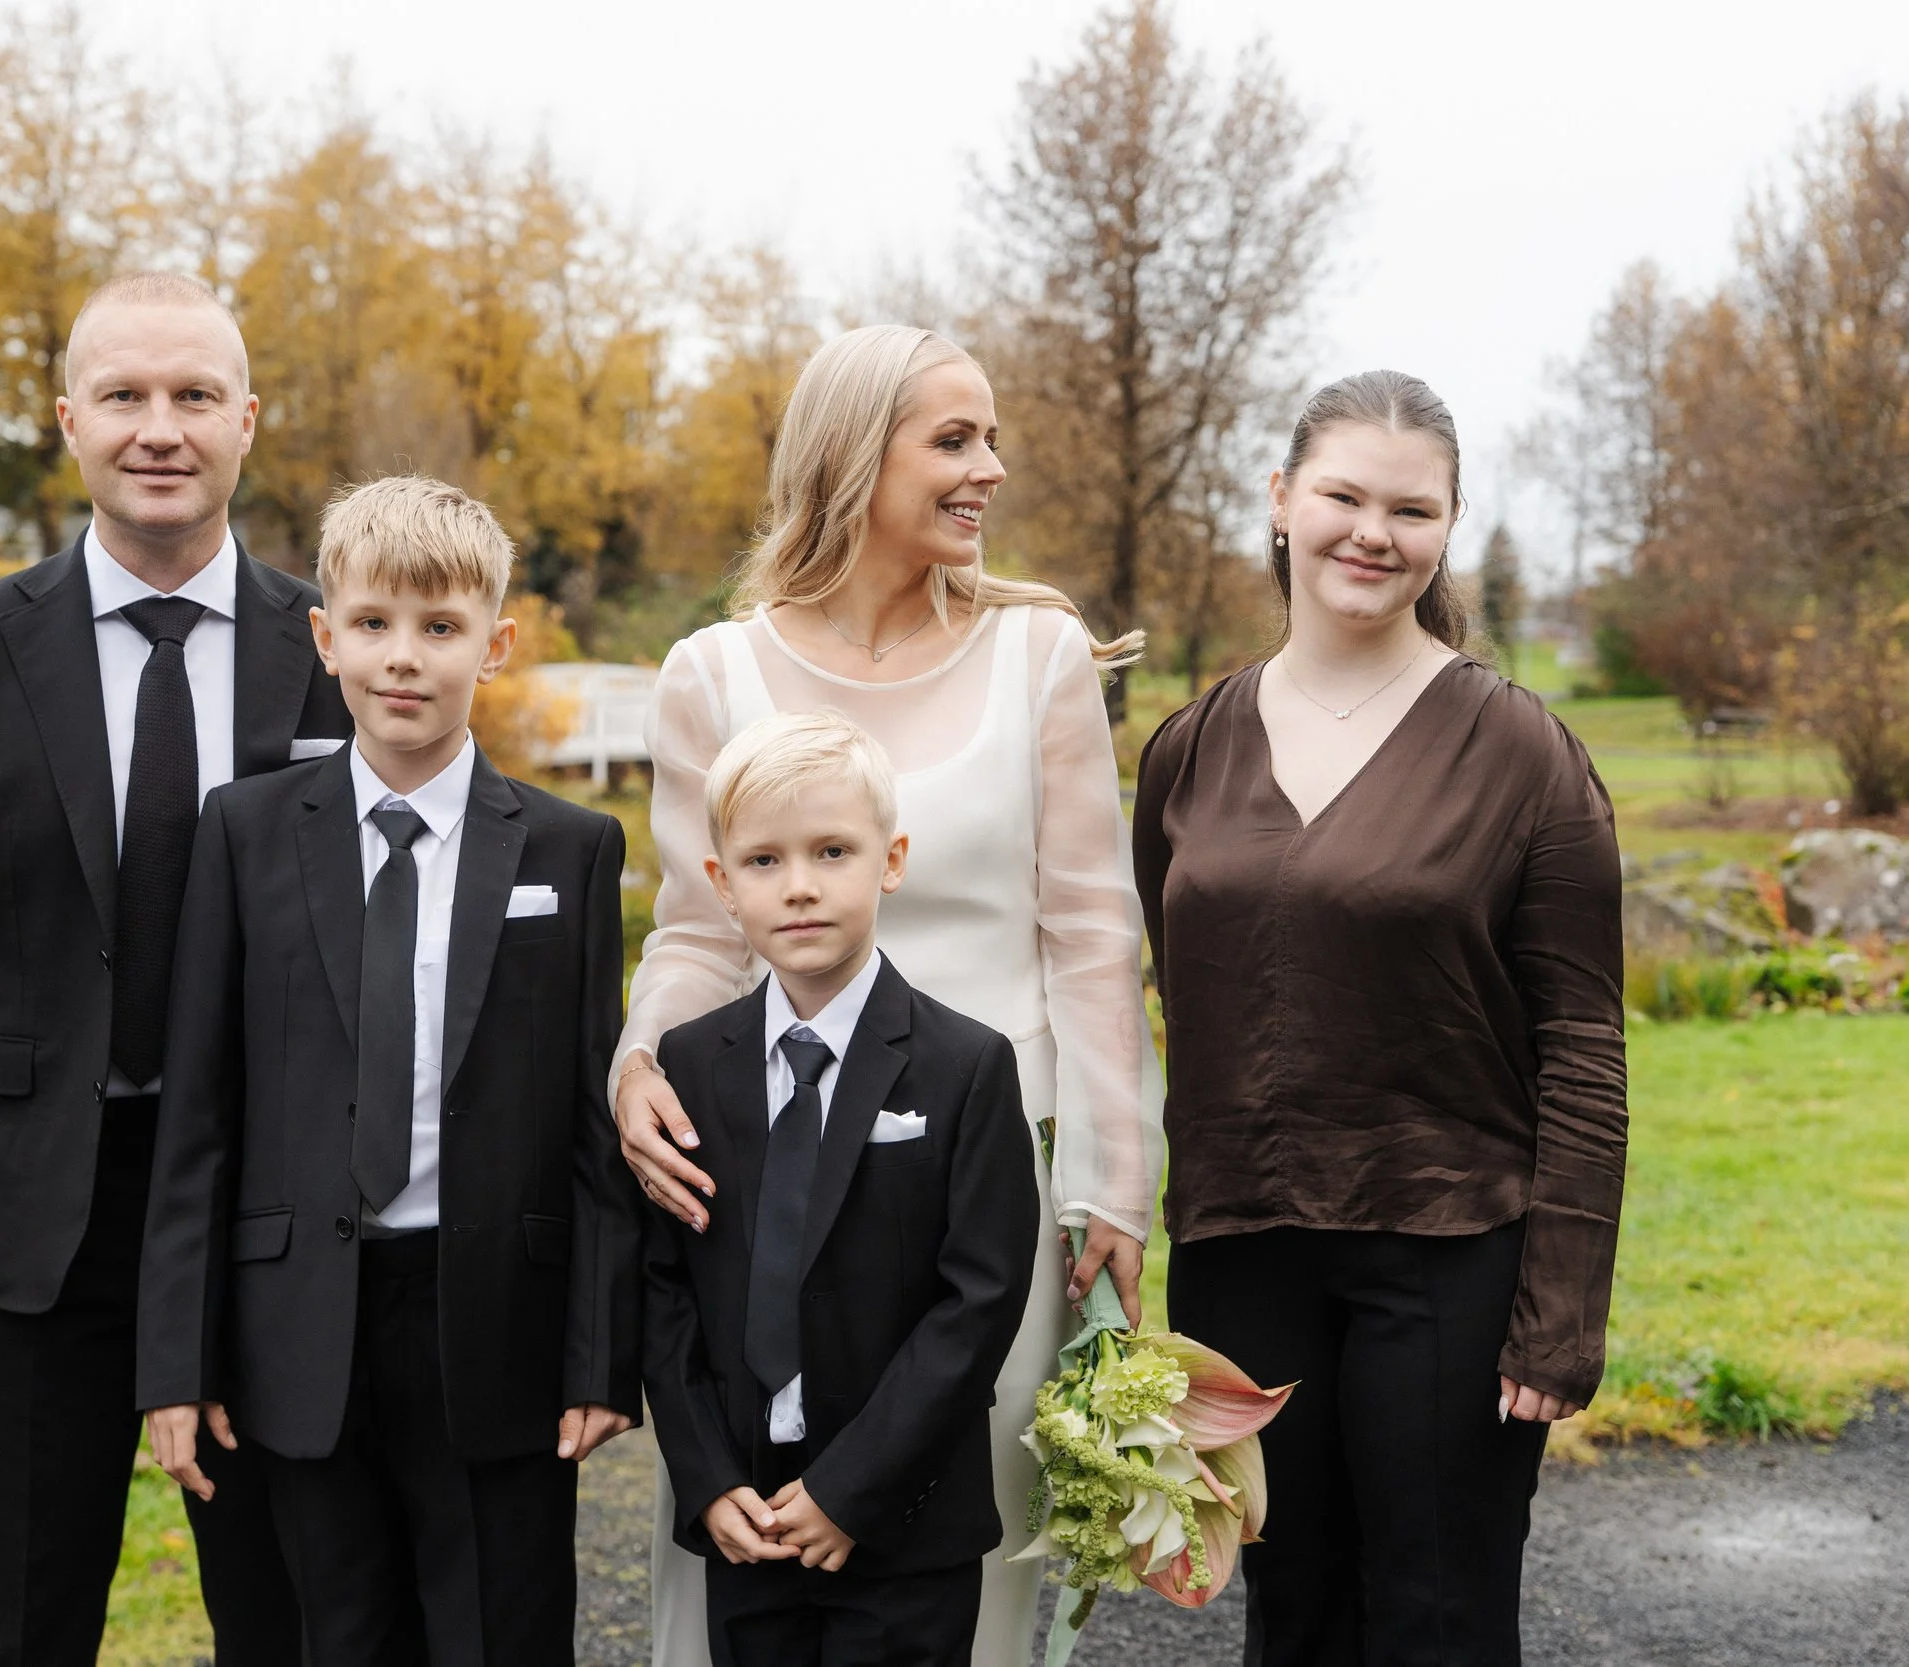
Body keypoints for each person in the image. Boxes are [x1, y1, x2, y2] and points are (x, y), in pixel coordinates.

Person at [616, 324, 1164, 1664]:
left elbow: (1093, 932)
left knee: (953, 1538)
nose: (991, 466)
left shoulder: (1038, 656)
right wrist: (636, 1060)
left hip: (990, 1188)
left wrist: (1114, 1180)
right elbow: (694, 927)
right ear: (856, 456)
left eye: (989, 436)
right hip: (766, 1178)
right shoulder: (712, 673)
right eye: (954, 438)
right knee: (747, 1534)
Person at [0, 271, 334, 1666]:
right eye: (124, 395)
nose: (157, 427)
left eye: (191, 397)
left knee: (288, 1623)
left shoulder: (340, 654)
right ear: (70, 421)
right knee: (25, 1624)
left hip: (265, 1221)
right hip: (24, 1221)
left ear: (248, 419)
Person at [1132, 370, 1627, 1665]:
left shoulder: (1524, 753)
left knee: (1439, 1615)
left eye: (1412, 508)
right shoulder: (1188, 751)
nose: (1373, 531)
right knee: (1290, 1611)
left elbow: (1581, 1046)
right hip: (1241, 1255)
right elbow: (1181, 986)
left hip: (1450, 1253)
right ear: (1283, 500)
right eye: (1344, 494)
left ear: (1448, 527)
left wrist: (1561, 1306)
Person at [136, 474, 640, 1667]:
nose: (402, 658)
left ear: (496, 643)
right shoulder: (244, 831)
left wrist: (598, 1351)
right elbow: (197, 1112)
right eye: (371, 624)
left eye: (439, 627)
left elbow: (587, 1117)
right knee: (332, 1630)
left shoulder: (570, 849)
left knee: (500, 1631)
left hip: (493, 1326)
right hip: (295, 1323)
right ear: (325, 636)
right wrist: (176, 1358)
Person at [641, 709, 1039, 1667]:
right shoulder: (691, 1064)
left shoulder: (967, 1065)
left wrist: (850, 1492)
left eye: (832, 851)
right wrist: (704, 1478)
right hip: (748, 1512)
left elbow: (978, 1300)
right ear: (722, 885)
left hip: (901, 1514)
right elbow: (661, 1286)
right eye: (765, 861)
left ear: (890, 860)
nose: (802, 886)